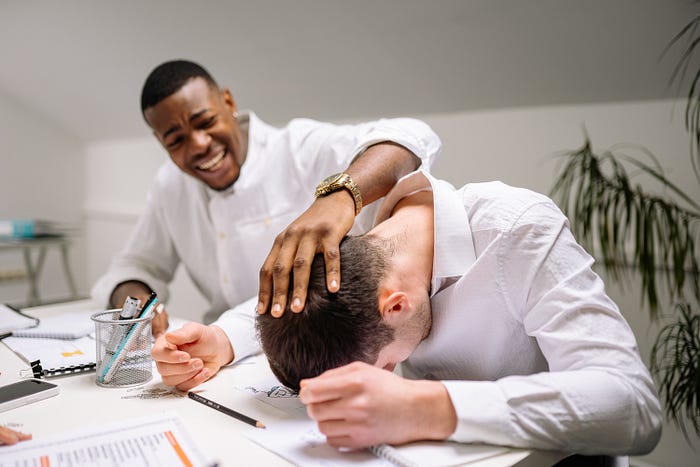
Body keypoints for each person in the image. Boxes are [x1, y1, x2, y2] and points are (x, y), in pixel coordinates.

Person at [250, 169, 662, 456]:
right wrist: (224, 338)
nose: (391, 375)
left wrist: (424, 406)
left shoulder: (518, 230)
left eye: (387, 364)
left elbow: (635, 405)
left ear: (396, 306)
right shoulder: (354, 257)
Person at [91, 59, 441, 336]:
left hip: (311, 342)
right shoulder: (170, 186)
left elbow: (410, 137)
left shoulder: (297, 148)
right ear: (160, 143)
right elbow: (138, 264)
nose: (198, 145)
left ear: (228, 102)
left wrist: (338, 197)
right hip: (219, 347)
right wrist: (134, 303)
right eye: (176, 140)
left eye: (205, 121)